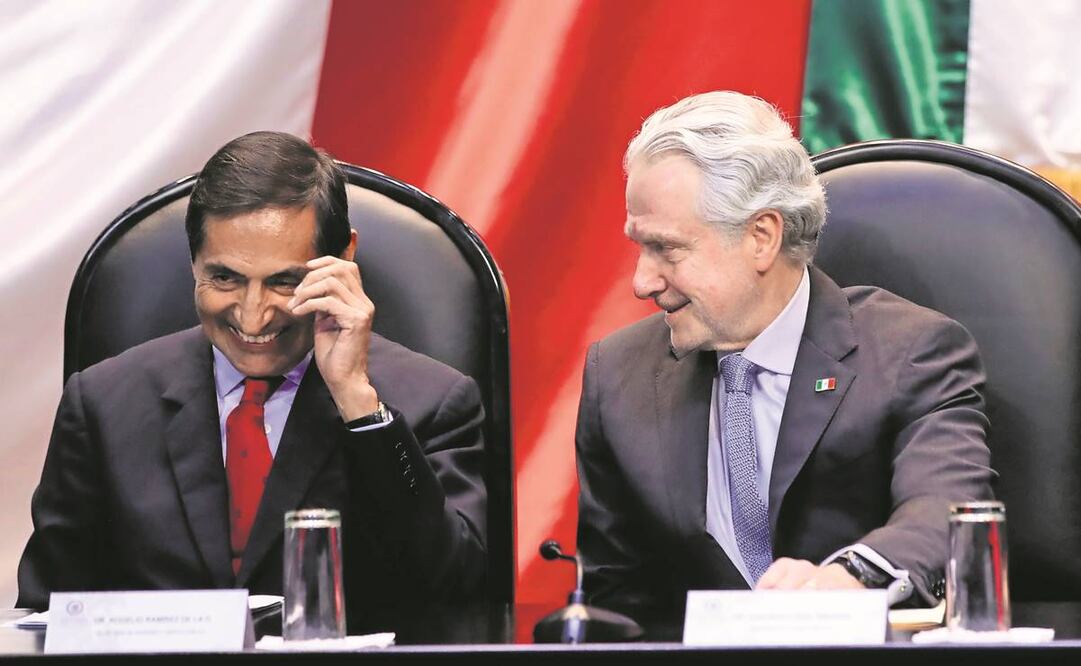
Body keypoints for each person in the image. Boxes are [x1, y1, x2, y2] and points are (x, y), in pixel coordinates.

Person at [17, 132, 487, 615]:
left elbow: (460, 595)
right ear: (193, 261)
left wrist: (358, 404)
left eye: (285, 281)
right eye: (225, 278)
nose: (253, 316)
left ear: (344, 259)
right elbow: (45, 615)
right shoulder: (102, 404)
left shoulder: (435, 400)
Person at [575, 91, 994, 619]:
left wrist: (849, 579)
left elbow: (946, 513)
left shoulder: (911, 354)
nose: (642, 282)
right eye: (640, 246)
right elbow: (614, 605)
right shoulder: (617, 378)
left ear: (762, 237)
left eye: (668, 249)